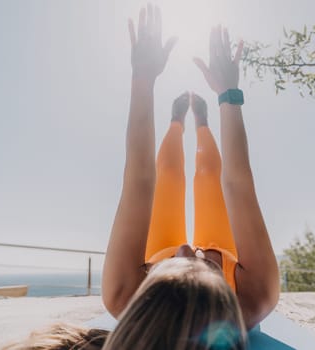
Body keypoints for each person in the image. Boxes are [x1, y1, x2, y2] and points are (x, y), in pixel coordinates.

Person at [101, 3, 279, 334]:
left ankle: (176, 121)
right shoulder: (257, 295)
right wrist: (228, 94)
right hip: (222, 254)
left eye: (177, 264)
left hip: (156, 252)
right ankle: (202, 123)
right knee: (208, 176)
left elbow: (139, 181)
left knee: (167, 176)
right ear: (226, 299)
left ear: (150, 291)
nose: (189, 248)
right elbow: (238, 184)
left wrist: (142, 78)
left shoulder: (123, 295)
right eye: (202, 264)